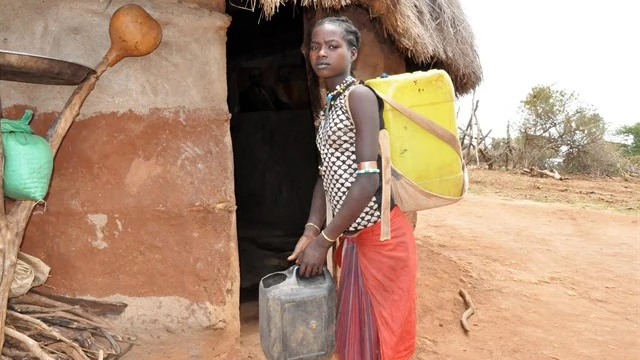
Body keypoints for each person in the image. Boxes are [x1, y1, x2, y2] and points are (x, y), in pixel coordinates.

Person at [287, 16, 418, 360]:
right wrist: (310, 231)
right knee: (357, 338)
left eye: (333, 46)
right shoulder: (329, 107)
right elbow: (324, 176)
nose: (321, 54)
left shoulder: (358, 96)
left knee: (381, 339)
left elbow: (368, 179)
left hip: (380, 241)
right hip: (354, 240)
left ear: (353, 52)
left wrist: (324, 241)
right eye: (315, 47)